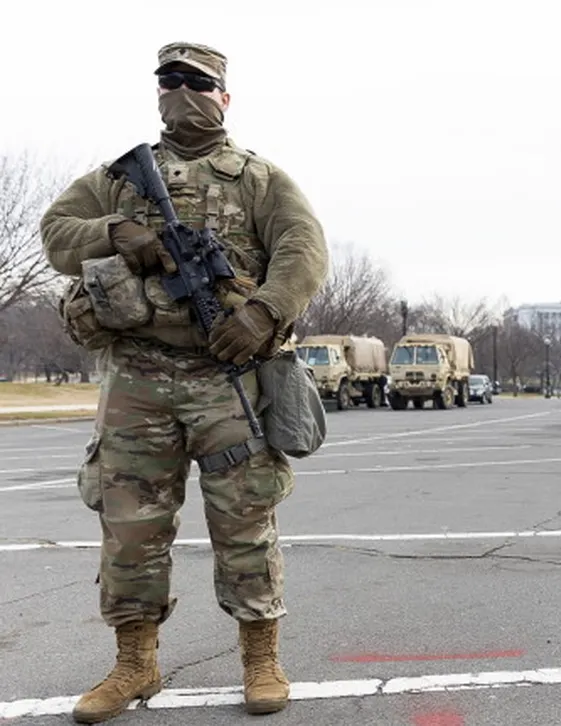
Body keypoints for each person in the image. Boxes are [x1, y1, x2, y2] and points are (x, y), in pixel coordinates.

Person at [40, 41, 328, 722]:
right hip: (137, 380)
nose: (181, 90)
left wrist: (261, 313)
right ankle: (134, 664)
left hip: (226, 379)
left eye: (197, 81)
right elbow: (56, 232)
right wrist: (117, 233)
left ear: (225, 96)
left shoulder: (257, 179)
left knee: (245, 523)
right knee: (130, 531)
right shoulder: (119, 180)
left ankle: (261, 659)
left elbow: (303, 250)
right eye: (168, 80)